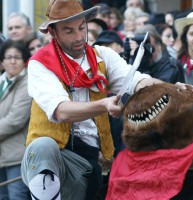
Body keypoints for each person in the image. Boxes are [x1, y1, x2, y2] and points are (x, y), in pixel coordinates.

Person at [20, 1, 164, 200]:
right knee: (43, 146)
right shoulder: (39, 64)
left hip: (90, 159)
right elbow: (60, 110)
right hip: (57, 157)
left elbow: (137, 81)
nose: (79, 37)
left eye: (82, 28)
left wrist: (171, 89)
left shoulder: (103, 56)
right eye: (69, 31)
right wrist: (103, 104)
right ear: (53, 33)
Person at [0, 40, 32, 200]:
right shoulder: (2, 81)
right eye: (8, 57)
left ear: (24, 60)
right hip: (2, 156)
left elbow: (15, 119)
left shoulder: (27, 82)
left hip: (17, 156)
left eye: (17, 57)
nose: (12, 61)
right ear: (2, 61)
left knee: (17, 197)